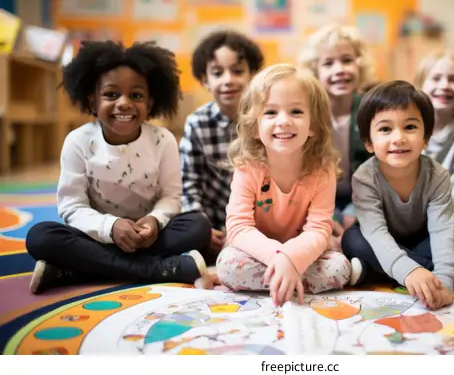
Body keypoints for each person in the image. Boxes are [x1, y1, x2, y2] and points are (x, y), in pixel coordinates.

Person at [26, 41, 211, 294]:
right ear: (92, 100)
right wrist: (110, 227)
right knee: (40, 236)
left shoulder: (163, 139)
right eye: (111, 94)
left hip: (150, 238)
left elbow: (171, 196)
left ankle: (78, 269)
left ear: (151, 102)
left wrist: (155, 221)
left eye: (136, 95)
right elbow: (72, 206)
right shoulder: (78, 141)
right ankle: (160, 269)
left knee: (198, 226)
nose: (124, 103)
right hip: (96, 236)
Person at [216, 64, 352, 307]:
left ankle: (285, 277)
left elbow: (319, 231)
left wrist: (292, 258)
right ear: (254, 126)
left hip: (304, 251)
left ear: (313, 125)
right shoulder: (248, 168)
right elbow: (238, 227)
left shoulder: (323, 169)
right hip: (257, 252)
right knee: (227, 266)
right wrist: (279, 257)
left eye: (296, 112)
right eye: (270, 113)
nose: (284, 121)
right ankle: (286, 278)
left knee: (338, 267)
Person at [342, 81, 454, 310]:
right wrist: (411, 270)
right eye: (385, 129)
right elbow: (377, 233)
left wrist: (445, 281)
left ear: (426, 138)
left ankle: (379, 272)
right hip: (383, 239)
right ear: (369, 142)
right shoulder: (364, 178)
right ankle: (433, 274)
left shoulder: (437, 175)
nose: (398, 138)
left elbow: (441, 230)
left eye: (409, 127)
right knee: (352, 240)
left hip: (423, 239)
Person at [180, 30, 264, 262]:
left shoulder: (267, 118)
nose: (228, 80)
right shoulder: (197, 123)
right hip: (213, 225)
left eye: (237, 71)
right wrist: (204, 228)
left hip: (261, 223)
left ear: (253, 75)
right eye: (218, 73)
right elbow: (189, 184)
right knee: (186, 228)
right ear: (206, 80)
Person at [298, 24, 377, 237]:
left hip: (362, 200)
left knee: (358, 232)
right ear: (315, 71)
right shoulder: (307, 116)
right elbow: (302, 174)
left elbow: (380, 171)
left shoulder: (371, 111)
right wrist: (329, 214)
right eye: (328, 63)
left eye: (347, 60)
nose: (339, 69)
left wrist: (356, 210)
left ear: (360, 65)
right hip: (317, 202)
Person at [415, 48, 454, 226]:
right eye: (436, 78)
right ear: (421, 85)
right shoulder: (407, 130)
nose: (445, 85)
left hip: (448, 217)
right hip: (409, 216)